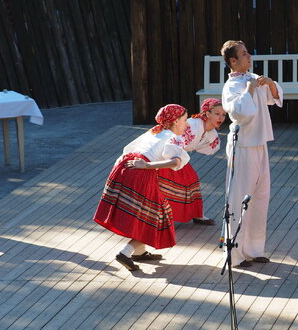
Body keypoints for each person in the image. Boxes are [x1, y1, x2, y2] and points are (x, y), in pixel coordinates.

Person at [93, 104, 190, 272]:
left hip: (123, 167)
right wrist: (147, 166)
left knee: (143, 213)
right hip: (140, 172)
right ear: (174, 121)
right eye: (184, 120)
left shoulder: (154, 132)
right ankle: (125, 252)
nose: (186, 124)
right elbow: (175, 161)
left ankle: (140, 251)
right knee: (157, 216)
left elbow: (128, 149)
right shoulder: (173, 137)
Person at [220, 40, 283, 268]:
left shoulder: (251, 77)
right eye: (244, 55)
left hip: (260, 143)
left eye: (248, 53)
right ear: (233, 61)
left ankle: (254, 249)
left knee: (260, 196)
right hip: (243, 146)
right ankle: (234, 253)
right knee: (239, 198)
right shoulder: (231, 87)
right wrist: (249, 89)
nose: (249, 57)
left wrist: (271, 84)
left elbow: (273, 98)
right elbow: (240, 113)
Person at [157, 98, 226, 226]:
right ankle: (162, 216)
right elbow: (174, 139)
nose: (221, 117)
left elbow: (210, 148)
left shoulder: (212, 134)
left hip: (178, 154)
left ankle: (197, 215)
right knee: (171, 183)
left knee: (191, 180)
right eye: (217, 113)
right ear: (207, 113)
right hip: (166, 154)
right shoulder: (193, 125)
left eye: (223, 114)